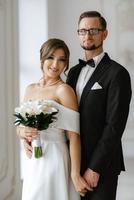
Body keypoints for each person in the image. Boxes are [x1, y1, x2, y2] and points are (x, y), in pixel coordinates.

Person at [66, 11, 132, 200]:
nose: (87, 35)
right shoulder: (73, 72)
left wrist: (95, 167)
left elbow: (114, 126)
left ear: (104, 33)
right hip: (71, 163)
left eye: (93, 30)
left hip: (101, 166)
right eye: (83, 30)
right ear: (78, 33)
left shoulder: (118, 73)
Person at [17, 38, 90, 200]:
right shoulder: (30, 89)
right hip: (34, 161)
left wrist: (75, 174)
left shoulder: (64, 91)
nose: (55, 64)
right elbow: (20, 126)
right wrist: (23, 133)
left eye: (62, 60)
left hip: (55, 157)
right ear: (42, 59)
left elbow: (74, 136)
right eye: (51, 57)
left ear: (66, 64)